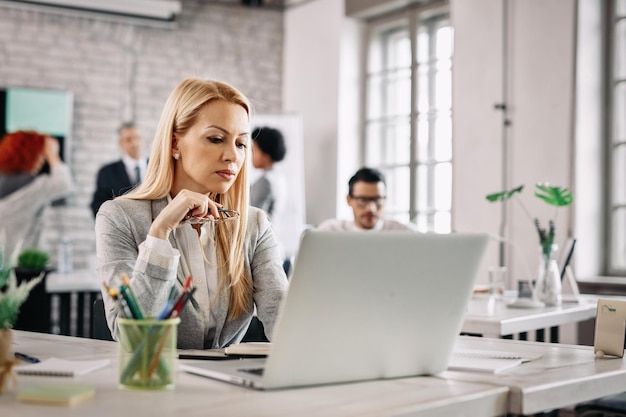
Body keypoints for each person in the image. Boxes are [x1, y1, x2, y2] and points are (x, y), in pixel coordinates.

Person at [95, 77, 289, 349]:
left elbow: (283, 319)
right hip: (154, 384)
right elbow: (130, 335)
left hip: (230, 385)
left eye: (241, 143)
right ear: (175, 144)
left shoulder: (254, 224)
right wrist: (159, 234)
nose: (232, 156)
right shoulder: (119, 217)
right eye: (216, 139)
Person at [0, 131, 74, 258]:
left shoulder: (4, 179)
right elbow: (64, 184)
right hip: (19, 263)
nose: (42, 160)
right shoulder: (31, 184)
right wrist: (52, 154)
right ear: (29, 154)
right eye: (40, 154)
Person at [317, 167, 416, 232]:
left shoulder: (406, 233)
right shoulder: (330, 231)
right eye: (363, 200)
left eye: (377, 200)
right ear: (349, 200)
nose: (371, 208)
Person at [90, 122, 147, 217]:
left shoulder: (157, 167)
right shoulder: (107, 173)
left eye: (137, 138)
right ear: (120, 144)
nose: (134, 143)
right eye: (128, 140)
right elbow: (98, 207)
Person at [250, 126, 288, 219]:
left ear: (265, 153)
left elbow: (254, 219)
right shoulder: (279, 177)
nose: (251, 155)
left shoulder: (265, 181)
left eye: (254, 150)